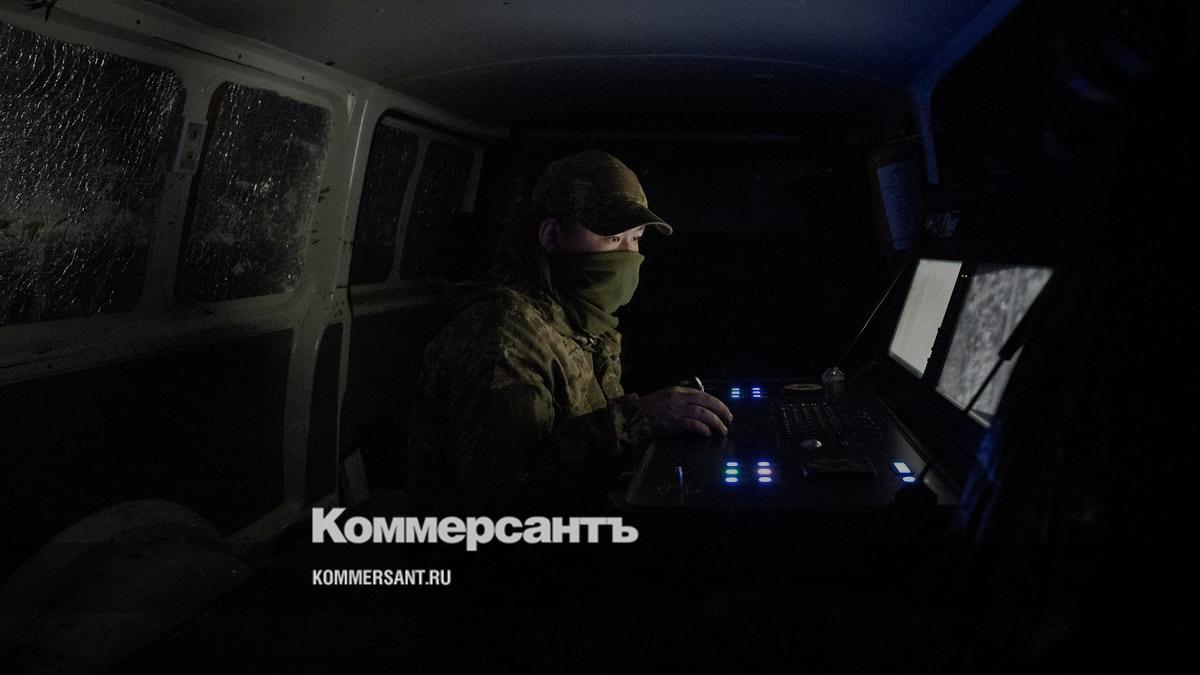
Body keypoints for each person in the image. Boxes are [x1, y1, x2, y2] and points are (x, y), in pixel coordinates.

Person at [404, 150, 733, 514]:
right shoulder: (503, 338)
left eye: (636, 238)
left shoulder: (580, 320)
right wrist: (637, 419)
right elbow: (503, 502)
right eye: (613, 238)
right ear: (551, 235)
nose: (628, 255)